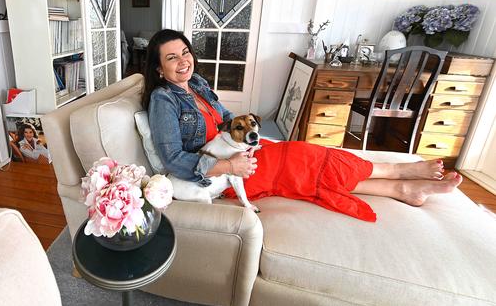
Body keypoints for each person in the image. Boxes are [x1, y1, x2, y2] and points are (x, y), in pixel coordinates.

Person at [143, 29, 462, 222]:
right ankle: (398, 178)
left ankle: (399, 184)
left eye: (185, 52)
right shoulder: (163, 100)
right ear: (159, 68)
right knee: (306, 166)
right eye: (171, 58)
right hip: (221, 173)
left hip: (241, 153)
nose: (183, 60)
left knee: (309, 155)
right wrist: (229, 164)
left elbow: (228, 120)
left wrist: (252, 137)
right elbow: (173, 159)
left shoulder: (196, 83)